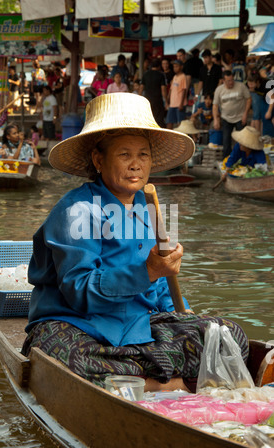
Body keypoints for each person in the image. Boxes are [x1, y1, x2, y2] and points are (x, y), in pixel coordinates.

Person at [21, 92, 249, 393]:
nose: (136, 165)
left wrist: (186, 316)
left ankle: (141, 380)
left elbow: (164, 288)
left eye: (143, 155)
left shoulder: (152, 205)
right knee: (72, 359)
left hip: (138, 326)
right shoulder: (76, 211)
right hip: (78, 325)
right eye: (124, 154)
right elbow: (79, 292)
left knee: (229, 335)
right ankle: (171, 384)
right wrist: (148, 270)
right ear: (98, 160)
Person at [213, 70, 251, 158]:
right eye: (228, 81)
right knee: (226, 142)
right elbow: (215, 106)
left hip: (240, 117)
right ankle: (227, 162)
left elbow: (248, 99)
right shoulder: (219, 90)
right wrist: (216, 119)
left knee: (242, 141)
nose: (231, 82)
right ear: (223, 81)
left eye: (232, 80)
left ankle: (243, 160)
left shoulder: (241, 86)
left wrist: (245, 114)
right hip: (226, 118)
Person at [139, 58, 167, 128]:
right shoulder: (161, 75)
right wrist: (166, 101)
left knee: (148, 119)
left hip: (147, 100)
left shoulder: (145, 74)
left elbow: (141, 88)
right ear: (159, 66)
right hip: (157, 101)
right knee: (158, 120)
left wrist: (139, 99)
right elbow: (163, 90)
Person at [166, 60, 187, 129]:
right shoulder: (175, 76)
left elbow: (184, 90)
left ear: (181, 67)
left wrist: (181, 103)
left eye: (176, 66)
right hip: (172, 103)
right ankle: (169, 138)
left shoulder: (183, 76)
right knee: (169, 121)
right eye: (174, 67)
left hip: (179, 104)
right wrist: (168, 100)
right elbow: (171, 89)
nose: (175, 68)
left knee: (180, 123)